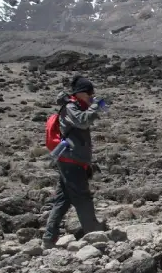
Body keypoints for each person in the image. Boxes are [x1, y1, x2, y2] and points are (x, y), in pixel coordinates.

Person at [44, 76, 106, 249]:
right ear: (80, 93)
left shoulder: (77, 106)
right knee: (82, 197)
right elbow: (83, 121)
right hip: (71, 159)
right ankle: (93, 232)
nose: (92, 96)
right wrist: (95, 106)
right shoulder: (70, 107)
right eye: (89, 93)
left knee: (63, 201)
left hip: (72, 159)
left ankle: (49, 238)